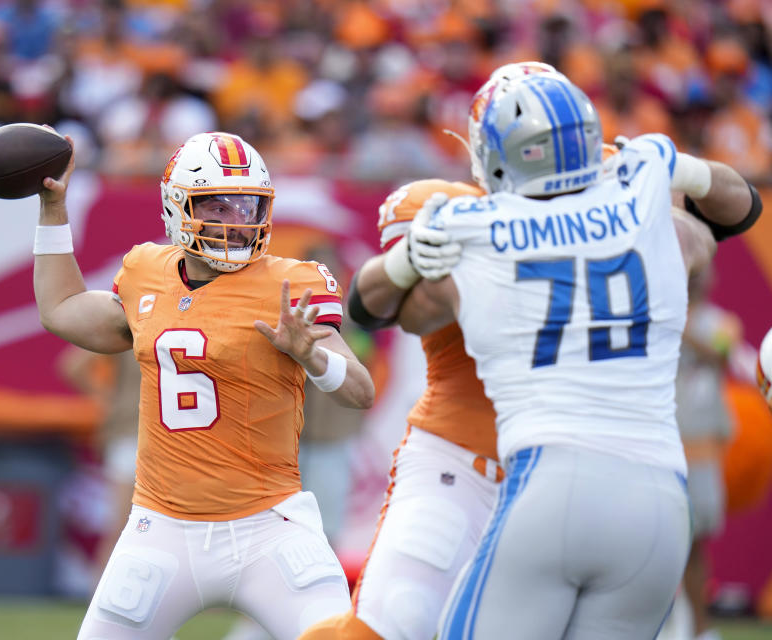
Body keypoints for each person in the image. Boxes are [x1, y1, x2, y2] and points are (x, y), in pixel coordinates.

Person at [381, 70, 760, 639]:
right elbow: (709, 234)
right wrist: (663, 178)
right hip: (647, 480)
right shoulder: (629, 200)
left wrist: (411, 262)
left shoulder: (467, 220)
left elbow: (402, 310)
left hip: (546, 470)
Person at [32, 130, 375, 639]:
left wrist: (312, 355)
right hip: (162, 526)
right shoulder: (148, 273)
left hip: (269, 525)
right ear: (177, 207)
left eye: (248, 207)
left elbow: (360, 390)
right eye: (218, 206)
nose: (237, 223)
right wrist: (52, 211)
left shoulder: (291, 281)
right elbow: (62, 311)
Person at [298, 62, 554, 640]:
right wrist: (412, 260)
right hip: (462, 455)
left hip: (565, 465)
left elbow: (732, 210)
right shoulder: (452, 209)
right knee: (396, 615)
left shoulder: (613, 208)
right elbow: (380, 309)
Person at [665, 266, 742, 640]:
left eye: (702, 273)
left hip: (701, 453)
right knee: (658, 544)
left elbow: (720, 355)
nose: (697, 279)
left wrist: (676, 326)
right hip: (663, 447)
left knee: (694, 546)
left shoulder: (723, 324)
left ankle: (700, 629)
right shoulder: (660, 321)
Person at [57, 346, 142, 582]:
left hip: (167, 437)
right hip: (131, 434)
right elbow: (73, 366)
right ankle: (98, 599)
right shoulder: (132, 327)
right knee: (123, 526)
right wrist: (107, 398)